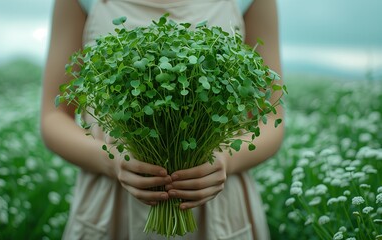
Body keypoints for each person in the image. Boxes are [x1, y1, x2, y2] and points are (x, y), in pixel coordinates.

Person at [40, 0, 283, 239]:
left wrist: (227, 160)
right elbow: (53, 117)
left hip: (218, 206)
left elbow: (272, 119)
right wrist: (111, 160)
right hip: (110, 204)